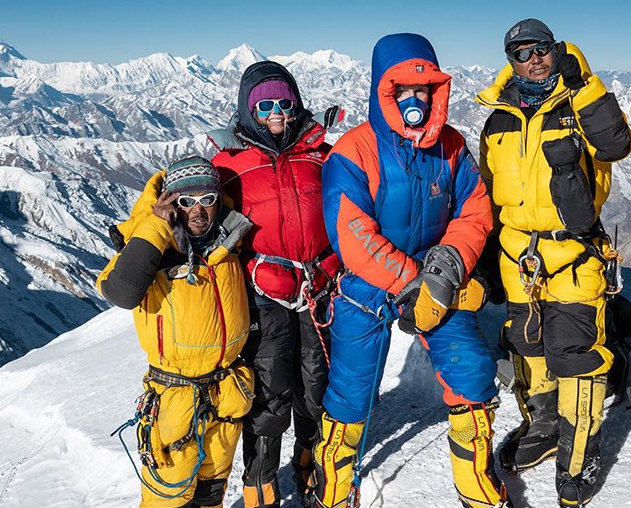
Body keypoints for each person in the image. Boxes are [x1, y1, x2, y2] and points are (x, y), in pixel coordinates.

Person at [308, 33, 508, 508]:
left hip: (438, 276)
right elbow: (352, 234)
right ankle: (333, 487)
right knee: (352, 389)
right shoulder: (354, 152)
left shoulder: (453, 146)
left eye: (424, 90)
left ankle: (476, 481)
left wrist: (449, 263)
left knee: (472, 370)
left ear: (436, 92)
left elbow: (475, 211)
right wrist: (411, 280)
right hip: (371, 282)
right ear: (384, 90)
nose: (414, 99)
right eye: (403, 89)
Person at [475, 19, 631, 507]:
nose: (533, 59)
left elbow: (616, 145)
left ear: (555, 50)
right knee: (529, 345)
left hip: (575, 250)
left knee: (577, 357)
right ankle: (542, 426)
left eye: (541, 49)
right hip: (517, 255)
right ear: (510, 61)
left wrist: (582, 83)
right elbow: (487, 189)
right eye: (521, 53)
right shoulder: (498, 118)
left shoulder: (579, 101)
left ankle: (579, 454)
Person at [203, 60, 341, 508]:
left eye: (285, 102)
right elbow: (200, 218)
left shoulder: (321, 153)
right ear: (248, 111)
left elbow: (349, 212)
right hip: (262, 293)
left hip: (319, 288)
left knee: (316, 382)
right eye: (264, 106)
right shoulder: (227, 167)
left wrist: (336, 262)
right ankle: (260, 484)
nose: (277, 112)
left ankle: (310, 462)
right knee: (269, 388)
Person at [97, 156, 255, 508]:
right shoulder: (154, 251)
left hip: (226, 392)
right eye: (186, 202)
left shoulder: (230, 242)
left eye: (207, 200)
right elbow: (121, 292)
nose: (198, 211)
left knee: (212, 492)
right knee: (168, 499)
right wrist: (156, 225)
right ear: (171, 204)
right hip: (175, 400)